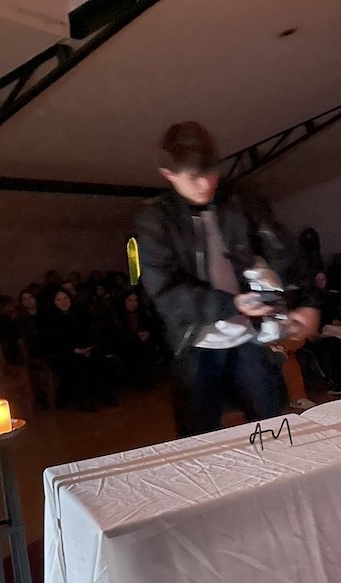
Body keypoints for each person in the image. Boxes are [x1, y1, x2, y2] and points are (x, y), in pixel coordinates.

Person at [135, 121, 319, 435]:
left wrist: (305, 300)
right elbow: (166, 294)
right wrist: (232, 304)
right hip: (195, 344)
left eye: (210, 172)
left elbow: (282, 249)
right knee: (199, 440)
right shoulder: (155, 219)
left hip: (249, 336)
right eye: (193, 177)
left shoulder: (240, 199)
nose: (205, 184)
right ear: (169, 174)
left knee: (272, 429)